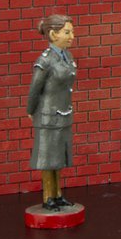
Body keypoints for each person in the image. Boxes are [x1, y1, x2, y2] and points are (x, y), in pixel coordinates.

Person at [27, 14, 78, 211]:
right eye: (67, 32)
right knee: (48, 159)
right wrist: (31, 110)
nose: (72, 36)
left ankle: (57, 195)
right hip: (48, 116)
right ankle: (48, 196)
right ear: (53, 34)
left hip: (63, 113)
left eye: (71, 32)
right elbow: (35, 88)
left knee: (58, 157)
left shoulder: (67, 56)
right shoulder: (45, 61)